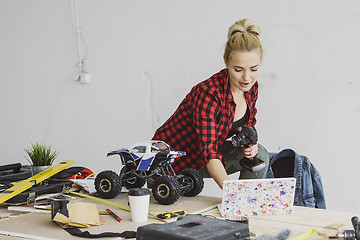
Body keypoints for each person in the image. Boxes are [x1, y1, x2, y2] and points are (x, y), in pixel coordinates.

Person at [152, 18, 269, 189]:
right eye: (238, 69)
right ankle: (238, 201)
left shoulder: (251, 88)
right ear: (226, 62)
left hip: (201, 157)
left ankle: (247, 205)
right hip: (168, 165)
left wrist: (249, 145)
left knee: (262, 155)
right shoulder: (208, 94)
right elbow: (209, 153)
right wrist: (232, 194)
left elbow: (247, 127)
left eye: (253, 69)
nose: (246, 78)